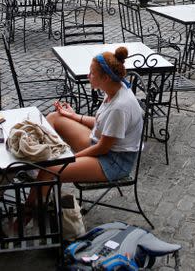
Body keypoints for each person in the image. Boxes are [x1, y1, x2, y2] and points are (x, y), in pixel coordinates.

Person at [31, 47, 143, 210]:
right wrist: (74, 116)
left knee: (51, 169)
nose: (88, 76)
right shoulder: (113, 88)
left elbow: (103, 148)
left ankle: (25, 216)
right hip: (100, 143)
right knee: (55, 118)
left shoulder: (120, 107)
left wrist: (70, 158)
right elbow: (102, 123)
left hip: (112, 161)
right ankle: (40, 172)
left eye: (92, 73)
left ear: (105, 77)